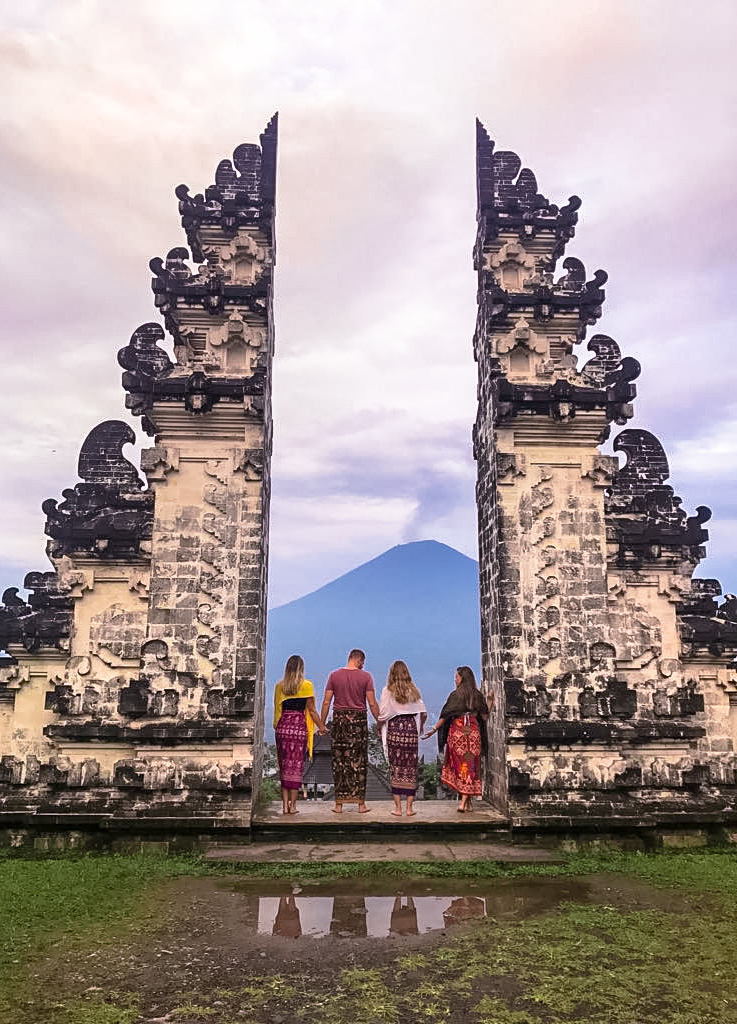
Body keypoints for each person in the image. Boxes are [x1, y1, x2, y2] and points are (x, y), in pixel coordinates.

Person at [423, 666, 492, 812]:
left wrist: (434, 729)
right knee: (470, 766)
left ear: (462, 678)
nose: (455, 679)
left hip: (457, 736)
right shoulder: (478, 696)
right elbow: (484, 717)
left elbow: (445, 715)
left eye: (457, 677)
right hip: (473, 735)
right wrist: (490, 702)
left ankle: (463, 803)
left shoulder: (455, 695)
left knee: (462, 767)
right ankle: (466, 802)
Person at [320, 648, 379, 813]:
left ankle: (339, 805)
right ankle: (361, 804)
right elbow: (372, 703)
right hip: (359, 722)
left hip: (339, 722)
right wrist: (380, 722)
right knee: (359, 762)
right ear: (359, 660)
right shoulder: (366, 677)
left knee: (339, 762)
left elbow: (326, 702)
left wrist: (322, 724)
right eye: (362, 663)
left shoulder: (334, 675)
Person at [273, 654, 325, 815]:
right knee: (295, 768)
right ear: (301, 669)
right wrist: (321, 726)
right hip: (298, 729)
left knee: (284, 767)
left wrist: (278, 727)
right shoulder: (307, 685)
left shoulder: (280, 686)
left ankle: (284, 806)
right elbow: (311, 710)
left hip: (283, 728)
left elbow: (277, 711)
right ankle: (293, 806)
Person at [378, 660, 427, 817]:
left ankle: (398, 808)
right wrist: (419, 728)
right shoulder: (414, 691)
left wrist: (379, 727)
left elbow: (383, 714)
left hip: (395, 729)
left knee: (396, 767)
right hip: (410, 730)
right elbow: (423, 713)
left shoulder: (388, 691)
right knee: (410, 767)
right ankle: (409, 808)